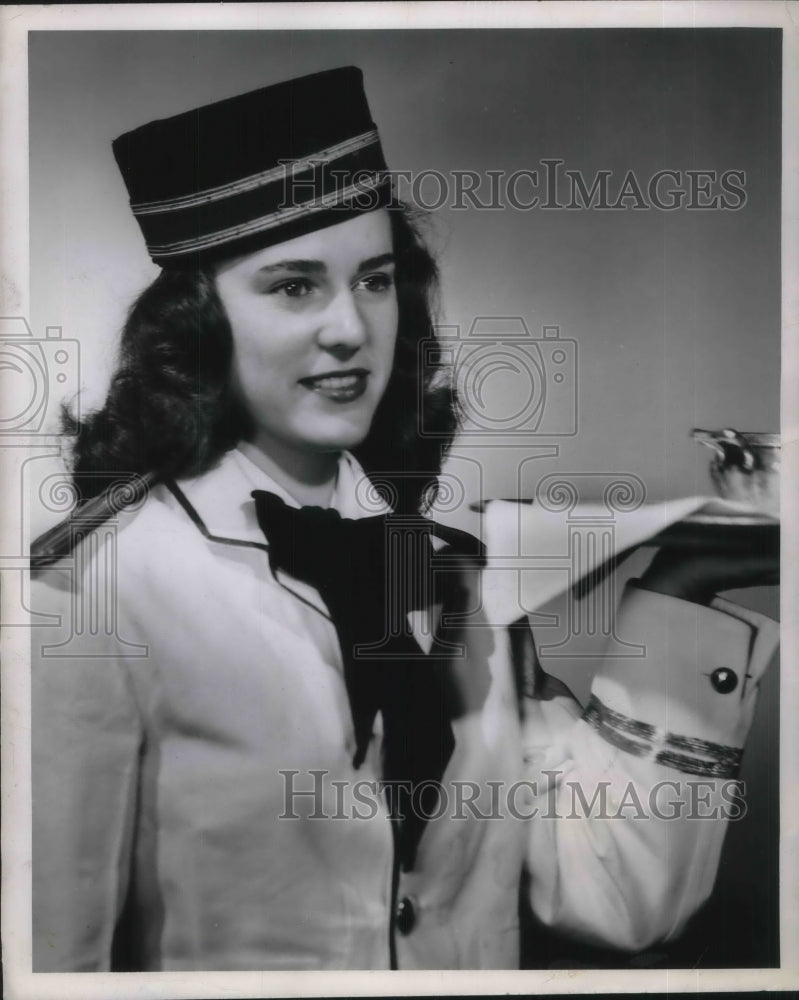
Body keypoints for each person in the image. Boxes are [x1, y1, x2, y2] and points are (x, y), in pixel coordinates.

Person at [30, 66, 779, 972]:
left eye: (375, 280)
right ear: (197, 325)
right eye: (294, 287)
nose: (350, 328)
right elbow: (52, 963)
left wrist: (683, 587)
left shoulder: (457, 577)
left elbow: (615, 898)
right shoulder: (92, 593)